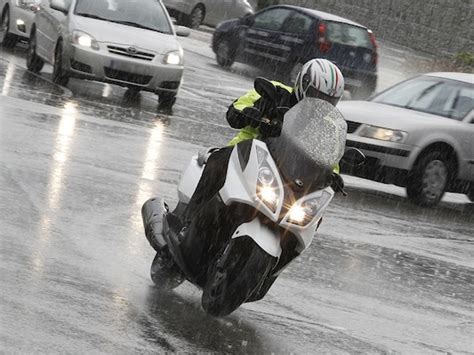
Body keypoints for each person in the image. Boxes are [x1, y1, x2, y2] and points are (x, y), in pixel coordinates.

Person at [177, 59, 345, 279]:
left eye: (329, 99)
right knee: (218, 162)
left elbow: (331, 160)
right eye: (318, 95)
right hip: (246, 156)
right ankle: (187, 222)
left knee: (314, 215)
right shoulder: (275, 93)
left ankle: (270, 270)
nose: (322, 101)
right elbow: (238, 107)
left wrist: (335, 177)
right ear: (303, 85)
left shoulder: (327, 127)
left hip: (288, 176)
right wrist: (250, 114)